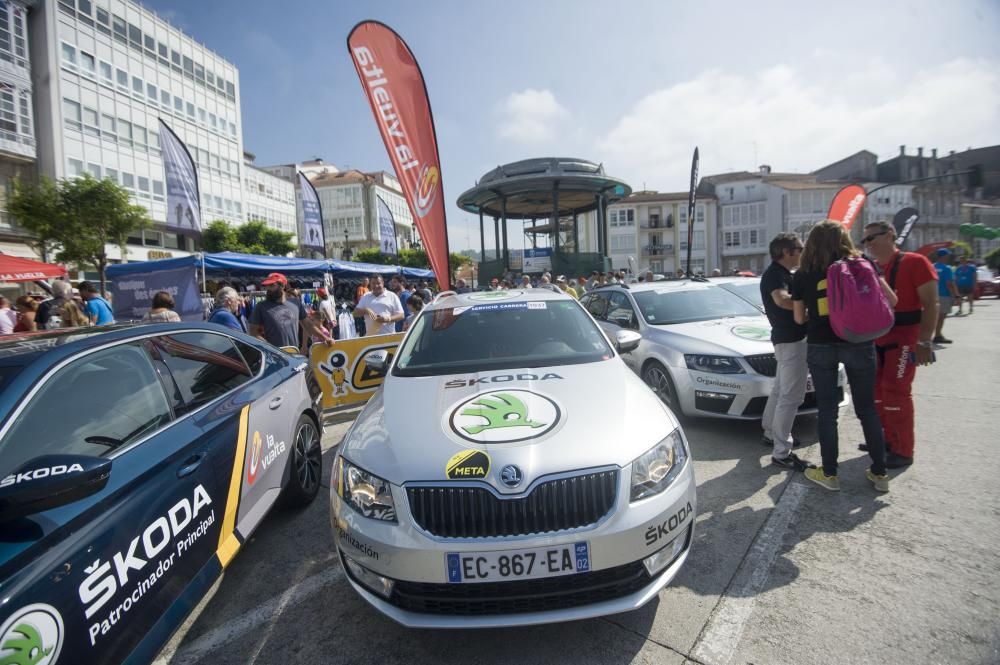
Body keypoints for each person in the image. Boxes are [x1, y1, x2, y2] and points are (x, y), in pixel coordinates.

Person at [792, 220, 897, 492]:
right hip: (860, 342)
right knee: (867, 410)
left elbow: (799, 317)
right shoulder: (863, 264)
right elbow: (892, 301)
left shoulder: (804, 272)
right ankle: (880, 473)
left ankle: (830, 474)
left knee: (827, 412)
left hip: (821, 345)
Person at [861, 221, 939, 468]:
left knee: (896, 391)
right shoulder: (870, 267)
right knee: (876, 391)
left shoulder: (915, 262)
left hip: (904, 337)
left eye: (873, 238)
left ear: (891, 235)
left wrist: (925, 340)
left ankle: (903, 450)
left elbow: (931, 303)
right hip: (876, 338)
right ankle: (886, 439)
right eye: (865, 240)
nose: (869, 244)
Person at [760, 233, 813, 471]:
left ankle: (772, 433)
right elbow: (781, 300)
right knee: (791, 397)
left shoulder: (779, 274)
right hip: (791, 340)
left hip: (787, 340)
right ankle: (782, 451)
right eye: (800, 248)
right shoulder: (776, 275)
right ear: (787, 252)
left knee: (781, 391)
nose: (803, 252)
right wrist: (808, 304)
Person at [249, 272, 332, 351]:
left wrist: (325, 338)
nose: (268, 289)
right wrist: (270, 349)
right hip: (273, 356)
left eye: (271, 285)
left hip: (293, 353)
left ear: (282, 286)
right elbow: (253, 332)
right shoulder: (261, 306)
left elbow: (308, 325)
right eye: (266, 286)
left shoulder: (295, 303)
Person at [932, 248, 958, 343]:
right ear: (943, 256)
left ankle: (937, 334)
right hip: (943, 295)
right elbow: (949, 283)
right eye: (947, 256)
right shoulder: (947, 268)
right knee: (941, 317)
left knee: (933, 316)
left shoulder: (931, 266)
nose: (948, 258)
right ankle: (937, 335)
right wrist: (956, 295)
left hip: (932, 294)